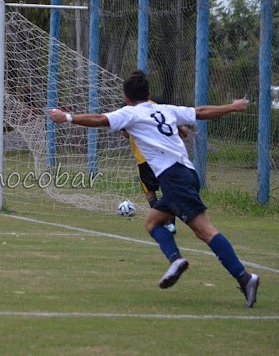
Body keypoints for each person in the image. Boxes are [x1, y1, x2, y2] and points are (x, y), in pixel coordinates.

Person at [48, 70, 259, 308]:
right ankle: (176, 260)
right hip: (187, 174)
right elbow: (200, 112)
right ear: (149, 94)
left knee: (205, 231)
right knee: (152, 222)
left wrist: (66, 117)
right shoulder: (166, 109)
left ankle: (245, 277)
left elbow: (99, 120)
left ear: (126, 98)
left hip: (173, 178)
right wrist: (231, 106)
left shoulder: (130, 113)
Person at [122, 95, 185, 235]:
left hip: (143, 158)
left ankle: (166, 223)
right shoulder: (158, 103)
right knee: (167, 191)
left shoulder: (126, 108)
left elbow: (126, 134)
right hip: (163, 156)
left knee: (150, 193)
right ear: (148, 92)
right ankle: (171, 223)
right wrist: (181, 128)